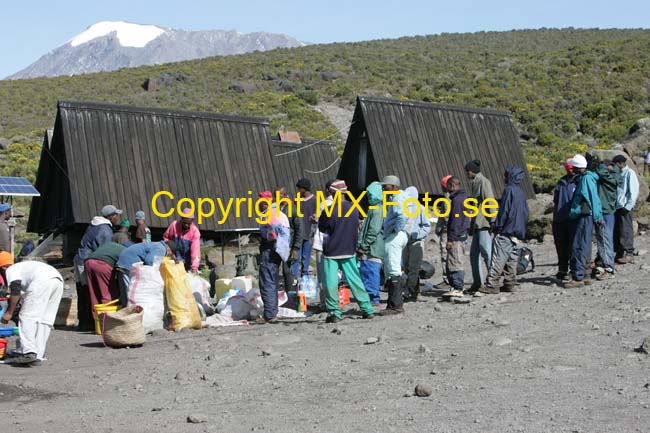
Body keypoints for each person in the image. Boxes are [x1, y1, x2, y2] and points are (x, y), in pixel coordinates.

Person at [318, 180, 375, 323]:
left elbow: (322, 228)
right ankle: (367, 309)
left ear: (332, 192)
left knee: (331, 282)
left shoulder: (329, 209)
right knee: (355, 280)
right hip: (349, 249)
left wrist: (316, 219)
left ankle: (335, 312)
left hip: (331, 251)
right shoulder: (354, 208)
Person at [0, 252, 63, 365]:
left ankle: (28, 352)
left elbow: (16, 291)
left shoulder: (11, 270)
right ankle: (38, 354)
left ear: (3, 266)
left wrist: (9, 313)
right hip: (57, 280)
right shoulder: (23, 267)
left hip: (42, 281)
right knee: (45, 319)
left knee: (26, 316)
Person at [73, 205, 122, 331]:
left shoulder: (93, 225)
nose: (117, 218)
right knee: (91, 290)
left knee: (82, 290)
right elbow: (104, 250)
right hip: (88, 260)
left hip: (80, 259)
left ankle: (84, 322)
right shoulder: (105, 229)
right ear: (111, 217)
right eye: (116, 215)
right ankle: (93, 322)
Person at [482, 167, 530, 294]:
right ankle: (510, 282)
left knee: (498, 257)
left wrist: (498, 226)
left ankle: (492, 284)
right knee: (512, 258)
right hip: (518, 231)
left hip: (506, 230)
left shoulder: (509, 191)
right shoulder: (521, 192)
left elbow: (504, 211)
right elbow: (526, 213)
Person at [565, 154, 602, 288]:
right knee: (584, 245)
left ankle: (578, 276)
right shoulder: (587, 177)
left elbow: (593, 198)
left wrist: (598, 216)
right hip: (586, 216)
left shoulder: (585, 179)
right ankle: (585, 274)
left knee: (578, 245)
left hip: (584, 216)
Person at [257, 191, 290, 324]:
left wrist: (268, 237)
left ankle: (270, 314)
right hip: (280, 251)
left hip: (270, 250)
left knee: (267, 281)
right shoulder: (280, 213)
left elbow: (272, 234)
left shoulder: (269, 215)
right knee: (273, 280)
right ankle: (272, 311)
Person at [380, 175, 409, 315]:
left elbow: (402, 216)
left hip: (395, 235)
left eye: (385, 186)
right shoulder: (399, 196)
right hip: (398, 235)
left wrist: (396, 229)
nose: (383, 188)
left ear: (393, 186)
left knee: (393, 269)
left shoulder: (397, 197)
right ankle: (392, 304)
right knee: (393, 267)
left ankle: (396, 305)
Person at [465, 159, 495, 292]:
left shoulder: (483, 182)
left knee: (487, 253)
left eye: (467, 171)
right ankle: (478, 282)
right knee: (473, 255)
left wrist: (493, 220)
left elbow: (489, 201)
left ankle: (492, 281)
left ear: (472, 171)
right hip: (477, 224)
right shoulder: (474, 183)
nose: (466, 173)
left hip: (484, 223)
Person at [115, 240, 176, 306]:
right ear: (169, 249)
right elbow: (150, 261)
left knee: (125, 292)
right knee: (130, 291)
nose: (168, 257)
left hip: (124, 261)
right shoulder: (162, 249)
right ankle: (131, 310)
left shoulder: (157, 245)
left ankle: (126, 310)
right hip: (129, 263)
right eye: (170, 255)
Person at [356, 181, 385, 306]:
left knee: (370, 272)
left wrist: (364, 246)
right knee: (368, 272)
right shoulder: (375, 208)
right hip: (371, 247)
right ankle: (371, 296)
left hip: (372, 248)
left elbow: (373, 230)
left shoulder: (377, 210)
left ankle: (373, 297)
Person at [593, 158, 621, 280]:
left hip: (604, 211)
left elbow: (601, 171)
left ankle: (608, 267)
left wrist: (601, 165)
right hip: (609, 211)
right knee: (606, 239)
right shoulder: (615, 176)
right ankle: (605, 264)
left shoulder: (607, 178)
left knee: (604, 239)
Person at [402, 186, 431, 302]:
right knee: (408, 268)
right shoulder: (404, 208)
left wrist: (416, 235)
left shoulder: (421, 209)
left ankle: (409, 292)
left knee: (414, 268)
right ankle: (415, 293)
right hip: (405, 242)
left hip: (416, 242)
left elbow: (427, 226)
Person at [443, 177, 471, 297]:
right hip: (463, 234)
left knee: (455, 262)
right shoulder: (463, 198)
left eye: (448, 187)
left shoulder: (457, 201)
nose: (447, 190)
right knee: (457, 260)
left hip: (457, 236)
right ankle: (457, 286)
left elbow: (455, 220)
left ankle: (458, 287)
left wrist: (451, 238)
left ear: (453, 186)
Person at [311, 180, 335, 309]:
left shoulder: (325, 204)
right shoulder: (346, 204)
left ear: (327, 190)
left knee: (323, 275)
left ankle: (325, 303)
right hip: (338, 244)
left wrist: (315, 219)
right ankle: (335, 301)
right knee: (335, 275)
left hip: (323, 243)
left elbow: (320, 222)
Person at [84, 242, 126, 316]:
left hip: (88, 262)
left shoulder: (111, 245)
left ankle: (96, 319)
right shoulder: (126, 251)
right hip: (102, 265)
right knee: (107, 293)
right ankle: (107, 320)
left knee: (93, 293)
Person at [552, 159, 577, 282]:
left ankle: (574, 270)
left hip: (573, 219)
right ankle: (562, 269)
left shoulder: (578, 181)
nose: (570, 171)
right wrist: (555, 218)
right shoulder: (561, 182)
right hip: (560, 219)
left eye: (572, 168)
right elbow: (556, 201)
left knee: (573, 246)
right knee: (561, 246)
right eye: (568, 169)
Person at [613, 154, 640, 264]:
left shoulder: (630, 173)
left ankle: (629, 253)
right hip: (618, 206)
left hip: (625, 207)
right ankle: (619, 254)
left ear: (621, 163)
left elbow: (633, 191)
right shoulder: (618, 174)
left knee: (626, 230)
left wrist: (628, 206)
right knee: (618, 231)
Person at [277, 187, 303, 292]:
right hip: (276, 245)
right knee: (275, 272)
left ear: (285, 195)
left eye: (281, 195)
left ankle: (290, 295)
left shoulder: (293, 209)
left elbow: (299, 229)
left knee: (287, 271)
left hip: (289, 245)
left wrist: (296, 248)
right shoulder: (275, 209)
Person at [163, 208, 201, 274]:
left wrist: (194, 267)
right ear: (181, 218)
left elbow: (195, 251)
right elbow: (166, 239)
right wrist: (171, 253)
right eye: (185, 223)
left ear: (192, 221)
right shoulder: (174, 225)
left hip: (188, 261)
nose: (186, 225)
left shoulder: (195, 232)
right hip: (174, 259)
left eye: (189, 223)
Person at [292, 178, 317, 279]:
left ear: (304, 188)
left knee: (306, 258)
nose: (298, 190)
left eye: (299, 188)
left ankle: (304, 278)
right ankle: (293, 278)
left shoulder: (315, 200)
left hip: (309, 232)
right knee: (295, 257)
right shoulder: (297, 200)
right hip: (298, 233)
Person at [435, 175, 452, 288]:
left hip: (447, 231)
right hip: (448, 230)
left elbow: (446, 216)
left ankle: (448, 279)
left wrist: (441, 228)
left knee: (446, 255)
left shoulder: (447, 199)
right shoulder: (448, 198)